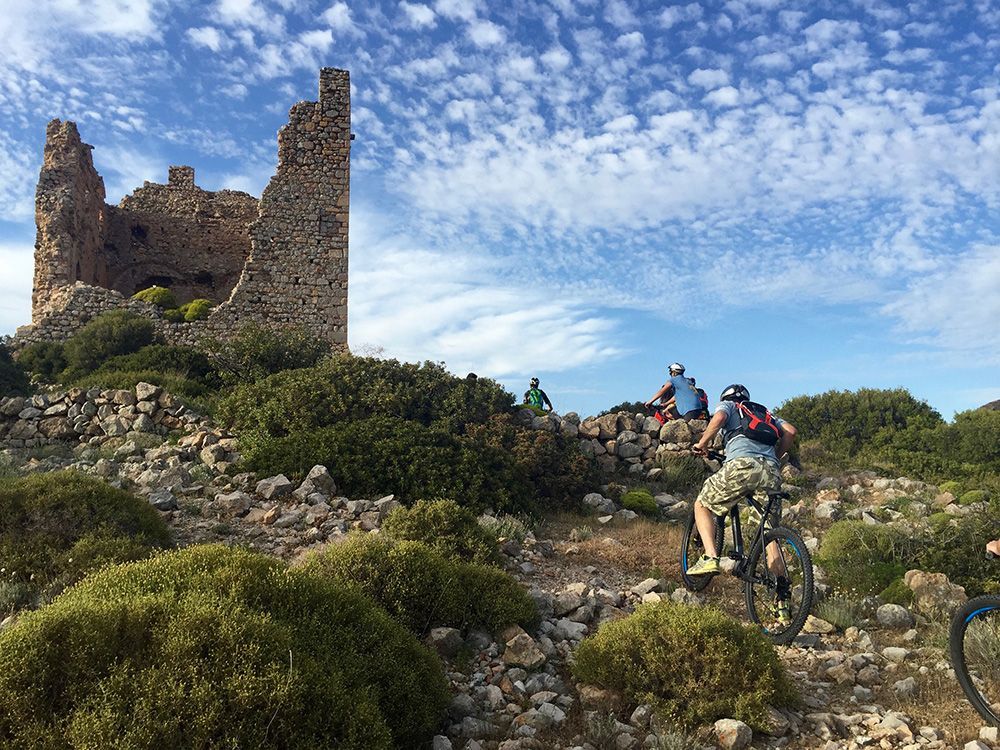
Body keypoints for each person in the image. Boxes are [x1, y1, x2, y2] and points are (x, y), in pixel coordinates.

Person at [687, 384, 798, 619]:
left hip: (741, 466)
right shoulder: (766, 413)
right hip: (771, 472)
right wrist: (775, 458)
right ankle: (782, 599)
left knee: (702, 504)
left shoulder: (730, 406)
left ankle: (710, 557)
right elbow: (790, 431)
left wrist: (702, 443)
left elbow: (718, 418)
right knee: (768, 534)